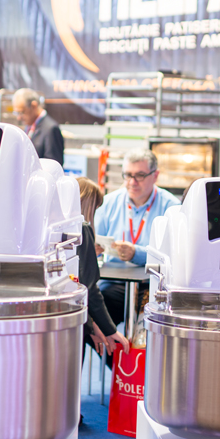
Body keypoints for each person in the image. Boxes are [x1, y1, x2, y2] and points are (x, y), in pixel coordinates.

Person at [93, 148, 179, 330]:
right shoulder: (108, 203)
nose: (132, 182)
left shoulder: (171, 208)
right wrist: (94, 250)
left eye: (140, 175)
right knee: (93, 317)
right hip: (115, 283)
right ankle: (110, 349)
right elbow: (95, 243)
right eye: (127, 175)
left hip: (152, 285)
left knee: (151, 325)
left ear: (155, 175)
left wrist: (135, 253)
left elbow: (174, 256)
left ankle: (138, 347)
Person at [76, 177, 130, 359]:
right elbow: (89, 287)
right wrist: (110, 330)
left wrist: (92, 326)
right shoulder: (83, 229)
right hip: (75, 321)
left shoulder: (53, 226)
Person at [13, 88, 64, 164]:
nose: (19, 118)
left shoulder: (50, 129)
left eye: (22, 112)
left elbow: (54, 165)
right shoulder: (29, 126)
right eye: (17, 113)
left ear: (34, 106)